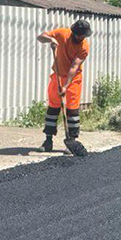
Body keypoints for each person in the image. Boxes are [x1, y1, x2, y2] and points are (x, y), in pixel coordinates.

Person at [36, 20, 91, 152]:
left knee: (72, 109)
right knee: (53, 107)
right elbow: (40, 37)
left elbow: (74, 66)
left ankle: (71, 140)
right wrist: (50, 40)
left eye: (83, 36)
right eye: (79, 35)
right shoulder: (62, 33)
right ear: (73, 32)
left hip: (73, 79)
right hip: (57, 76)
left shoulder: (84, 47)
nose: (81, 38)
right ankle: (48, 140)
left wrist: (66, 86)